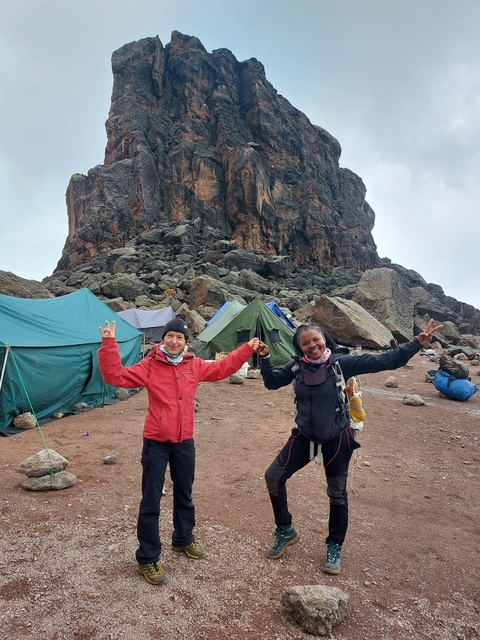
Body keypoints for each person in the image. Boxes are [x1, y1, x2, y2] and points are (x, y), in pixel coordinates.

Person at [256, 318, 443, 575]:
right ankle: (285, 530)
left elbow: (386, 360)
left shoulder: (342, 363)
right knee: (273, 476)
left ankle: (334, 545)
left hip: (337, 438)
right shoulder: (297, 367)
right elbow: (272, 382)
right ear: (299, 348)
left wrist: (416, 344)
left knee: (337, 494)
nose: (312, 346)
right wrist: (265, 358)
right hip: (304, 436)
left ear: (324, 339)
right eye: (305, 343)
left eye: (316, 340)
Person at [98, 316, 260, 586]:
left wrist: (246, 349)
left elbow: (221, 369)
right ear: (163, 340)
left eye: (180, 338)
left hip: (185, 441)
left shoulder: (193, 365)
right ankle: (148, 558)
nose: (174, 341)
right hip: (156, 442)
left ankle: (183, 539)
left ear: (186, 343)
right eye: (170, 336)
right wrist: (109, 344)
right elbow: (115, 376)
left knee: (185, 494)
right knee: (151, 500)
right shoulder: (149, 366)